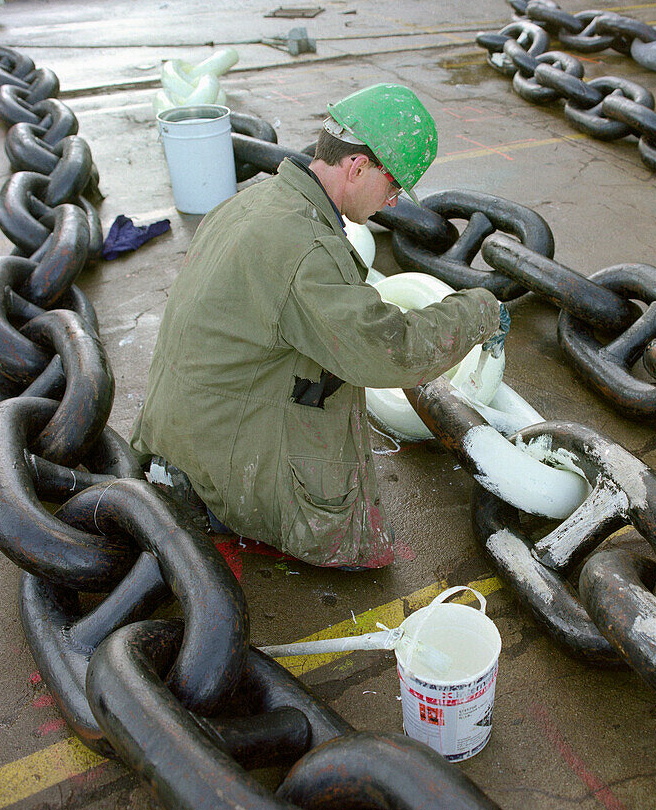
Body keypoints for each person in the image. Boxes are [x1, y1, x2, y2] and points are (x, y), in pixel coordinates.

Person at [131, 83, 506, 569]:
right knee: (362, 550)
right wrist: (480, 309)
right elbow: (391, 350)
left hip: (182, 426)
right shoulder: (307, 249)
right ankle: (226, 509)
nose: (393, 203)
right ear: (358, 167)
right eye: (393, 185)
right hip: (220, 458)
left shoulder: (253, 201)